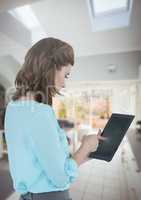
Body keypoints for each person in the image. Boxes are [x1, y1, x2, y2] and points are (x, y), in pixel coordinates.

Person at [4, 38, 106, 200]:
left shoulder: (12, 107)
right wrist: (85, 146)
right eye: (66, 74)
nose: (65, 83)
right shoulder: (40, 113)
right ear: (50, 68)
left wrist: (84, 153)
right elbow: (61, 178)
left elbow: (42, 161)